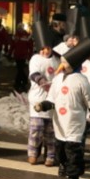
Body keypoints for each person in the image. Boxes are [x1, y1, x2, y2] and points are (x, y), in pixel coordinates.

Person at [41, 39, 90, 179]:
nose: (61, 65)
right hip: (60, 121)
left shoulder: (82, 80)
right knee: (60, 147)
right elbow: (51, 98)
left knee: (73, 150)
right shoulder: (57, 79)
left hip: (75, 121)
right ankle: (63, 164)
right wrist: (43, 105)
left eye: (65, 62)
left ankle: (73, 177)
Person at [27, 22, 59, 166]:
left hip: (52, 101)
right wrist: (44, 83)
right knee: (36, 129)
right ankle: (33, 152)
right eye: (43, 48)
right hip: (37, 100)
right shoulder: (35, 59)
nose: (45, 51)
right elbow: (34, 74)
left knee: (51, 132)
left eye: (48, 48)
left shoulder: (57, 60)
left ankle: (50, 156)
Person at [9, 23, 33, 91]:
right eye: (19, 28)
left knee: (20, 69)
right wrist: (10, 53)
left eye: (21, 28)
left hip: (23, 55)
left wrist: (29, 55)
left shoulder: (27, 36)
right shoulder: (15, 36)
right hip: (17, 55)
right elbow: (12, 46)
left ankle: (18, 83)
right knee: (20, 69)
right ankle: (23, 81)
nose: (20, 29)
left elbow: (30, 47)